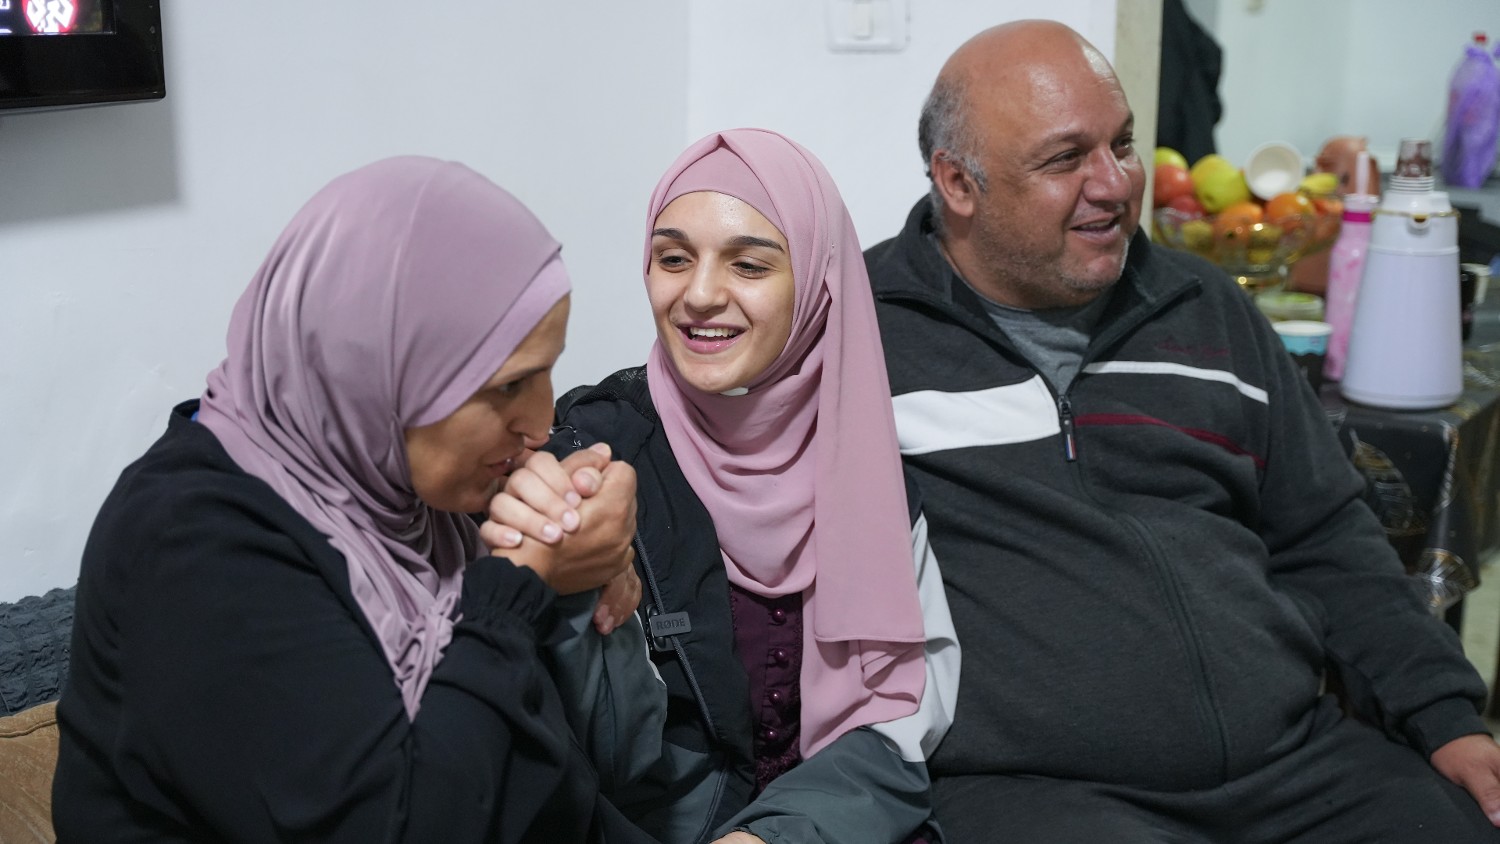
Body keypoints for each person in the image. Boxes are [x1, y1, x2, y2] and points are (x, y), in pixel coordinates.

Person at [863, 19, 1500, 843]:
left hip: (1292, 765)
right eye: (1066, 159)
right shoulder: (863, 338)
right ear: (957, 183)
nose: (1114, 183)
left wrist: (1446, 716)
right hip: (1038, 792)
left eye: (1122, 144)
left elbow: (1327, 535)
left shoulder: (1206, 306)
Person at [53, 156, 664, 843]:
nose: (541, 423)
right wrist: (519, 585)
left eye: (545, 374)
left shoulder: (409, 491)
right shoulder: (193, 545)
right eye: (507, 387)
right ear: (377, 369)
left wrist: (583, 573)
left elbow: (582, 778)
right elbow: (404, 822)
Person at [485, 128, 960, 844]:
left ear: (817, 282)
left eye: (749, 265)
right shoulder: (583, 459)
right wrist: (581, 587)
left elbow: (900, 728)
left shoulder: (866, 462)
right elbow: (585, 757)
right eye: (673, 258)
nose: (700, 295)